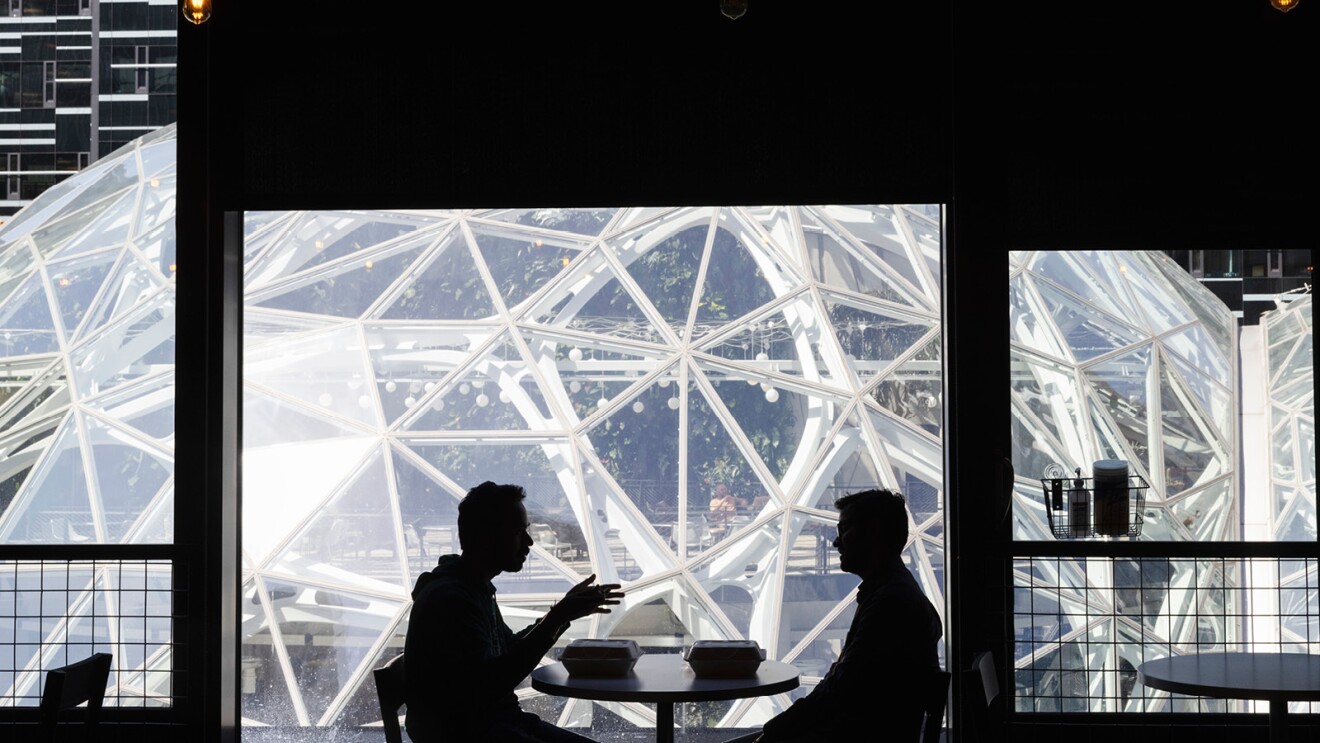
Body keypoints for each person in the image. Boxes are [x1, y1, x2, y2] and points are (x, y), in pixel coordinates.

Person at [403, 481, 625, 742]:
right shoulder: (453, 599)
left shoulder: (469, 588)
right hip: (474, 733)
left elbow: (507, 648)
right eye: (519, 532)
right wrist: (558, 617)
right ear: (486, 536)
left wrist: (559, 615)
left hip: (493, 724)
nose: (529, 541)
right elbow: (492, 682)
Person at [729, 488, 942, 742]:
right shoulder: (899, 594)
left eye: (845, 530)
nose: (836, 542)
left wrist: (778, 729)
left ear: (873, 532)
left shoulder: (889, 604)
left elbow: (842, 688)